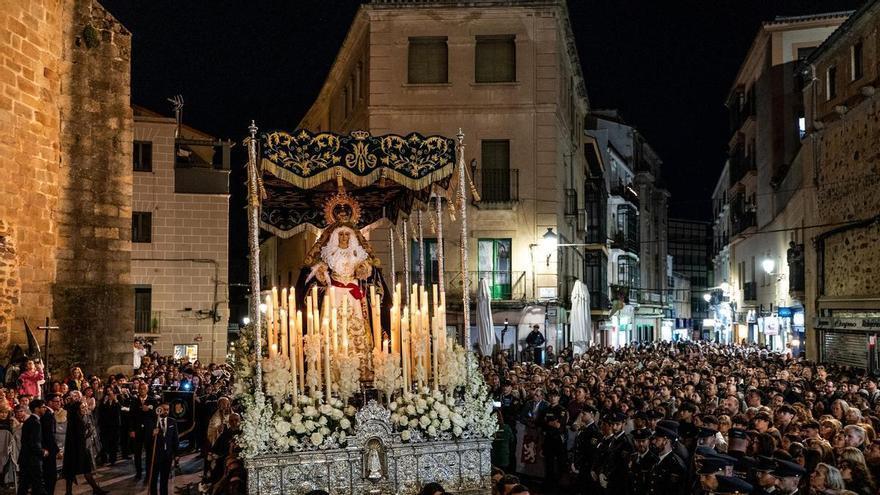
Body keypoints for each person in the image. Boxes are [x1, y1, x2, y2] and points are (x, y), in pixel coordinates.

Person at [62, 392, 107, 495]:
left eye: (85, 407)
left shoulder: (83, 419)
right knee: (71, 472)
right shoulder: (74, 422)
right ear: (77, 410)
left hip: (82, 449)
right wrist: (88, 433)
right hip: (74, 450)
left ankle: (96, 489)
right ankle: (69, 492)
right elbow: (78, 437)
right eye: (82, 408)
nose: (85, 410)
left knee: (86, 470)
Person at [148, 403, 178, 495]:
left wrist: (176, 454)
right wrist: (152, 434)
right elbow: (146, 440)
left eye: (167, 409)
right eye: (164, 409)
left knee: (164, 479)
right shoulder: (152, 421)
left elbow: (175, 439)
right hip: (155, 455)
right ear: (159, 409)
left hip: (167, 455)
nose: (166, 411)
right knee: (153, 479)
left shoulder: (172, 421)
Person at [15, 402, 45, 495]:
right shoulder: (35, 422)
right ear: (36, 409)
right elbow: (34, 442)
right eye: (43, 407)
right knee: (37, 485)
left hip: (25, 459)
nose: (45, 409)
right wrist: (42, 452)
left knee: (24, 486)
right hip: (32, 460)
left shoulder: (29, 421)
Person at [130, 382, 157, 480]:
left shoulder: (153, 401)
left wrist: (149, 410)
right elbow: (131, 416)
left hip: (148, 430)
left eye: (144, 389)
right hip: (137, 430)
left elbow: (156, 415)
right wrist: (132, 430)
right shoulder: (134, 401)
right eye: (140, 389)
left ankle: (148, 474)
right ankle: (138, 473)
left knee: (149, 453)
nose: (142, 390)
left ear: (147, 390)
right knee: (137, 453)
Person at [40, 394, 60, 495]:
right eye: (56, 401)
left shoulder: (49, 413)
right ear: (50, 402)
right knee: (51, 476)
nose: (59, 403)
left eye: (59, 401)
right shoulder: (47, 415)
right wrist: (56, 450)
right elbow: (48, 434)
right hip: (48, 449)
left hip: (48, 448)